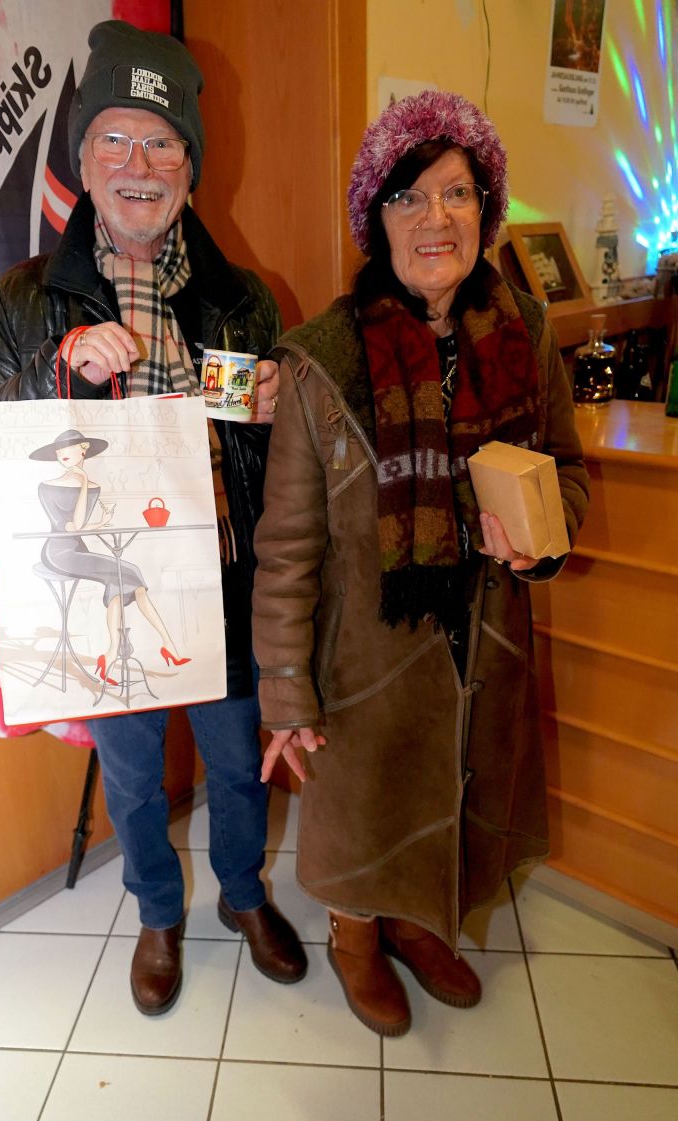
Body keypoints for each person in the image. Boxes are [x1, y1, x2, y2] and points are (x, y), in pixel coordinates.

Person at [0, 20, 306, 1016]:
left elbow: (292, 474)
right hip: (103, 590)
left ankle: (242, 895)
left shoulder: (242, 301)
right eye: (114, 139)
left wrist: (283, 413)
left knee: (238, 768)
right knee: (134, 779)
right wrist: (51, 373)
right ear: (84, 159)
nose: (139, 166)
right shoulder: (27, 298)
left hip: (225, 586)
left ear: (191, 163)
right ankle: (157, 913)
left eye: (163, 142)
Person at [252, 91, 589, 1037]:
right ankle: (357, 934)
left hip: (484, 640)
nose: (434, 218)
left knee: (456, 792)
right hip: (364, 653)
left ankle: (418, 919)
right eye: (408, 196)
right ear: (376, 219)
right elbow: (287, 546)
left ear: (487, 210)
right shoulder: (320, 359)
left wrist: (543, 534)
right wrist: (285, 690)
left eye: (457, 193)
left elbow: (567, 474)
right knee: (368, 808)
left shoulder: (526, 331)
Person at [28, 427, 186, 684]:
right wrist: (82, 482)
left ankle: (133, 650)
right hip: (58, 552)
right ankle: (147, 649)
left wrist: (101, 522)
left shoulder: (94, 487)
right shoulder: (47, 487)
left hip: (78, 549)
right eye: (58, 450)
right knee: (130, 571)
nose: (62, 453)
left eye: (69, 447)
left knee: (123, 578)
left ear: (83, 450)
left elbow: (79, 526)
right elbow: (71, 526)